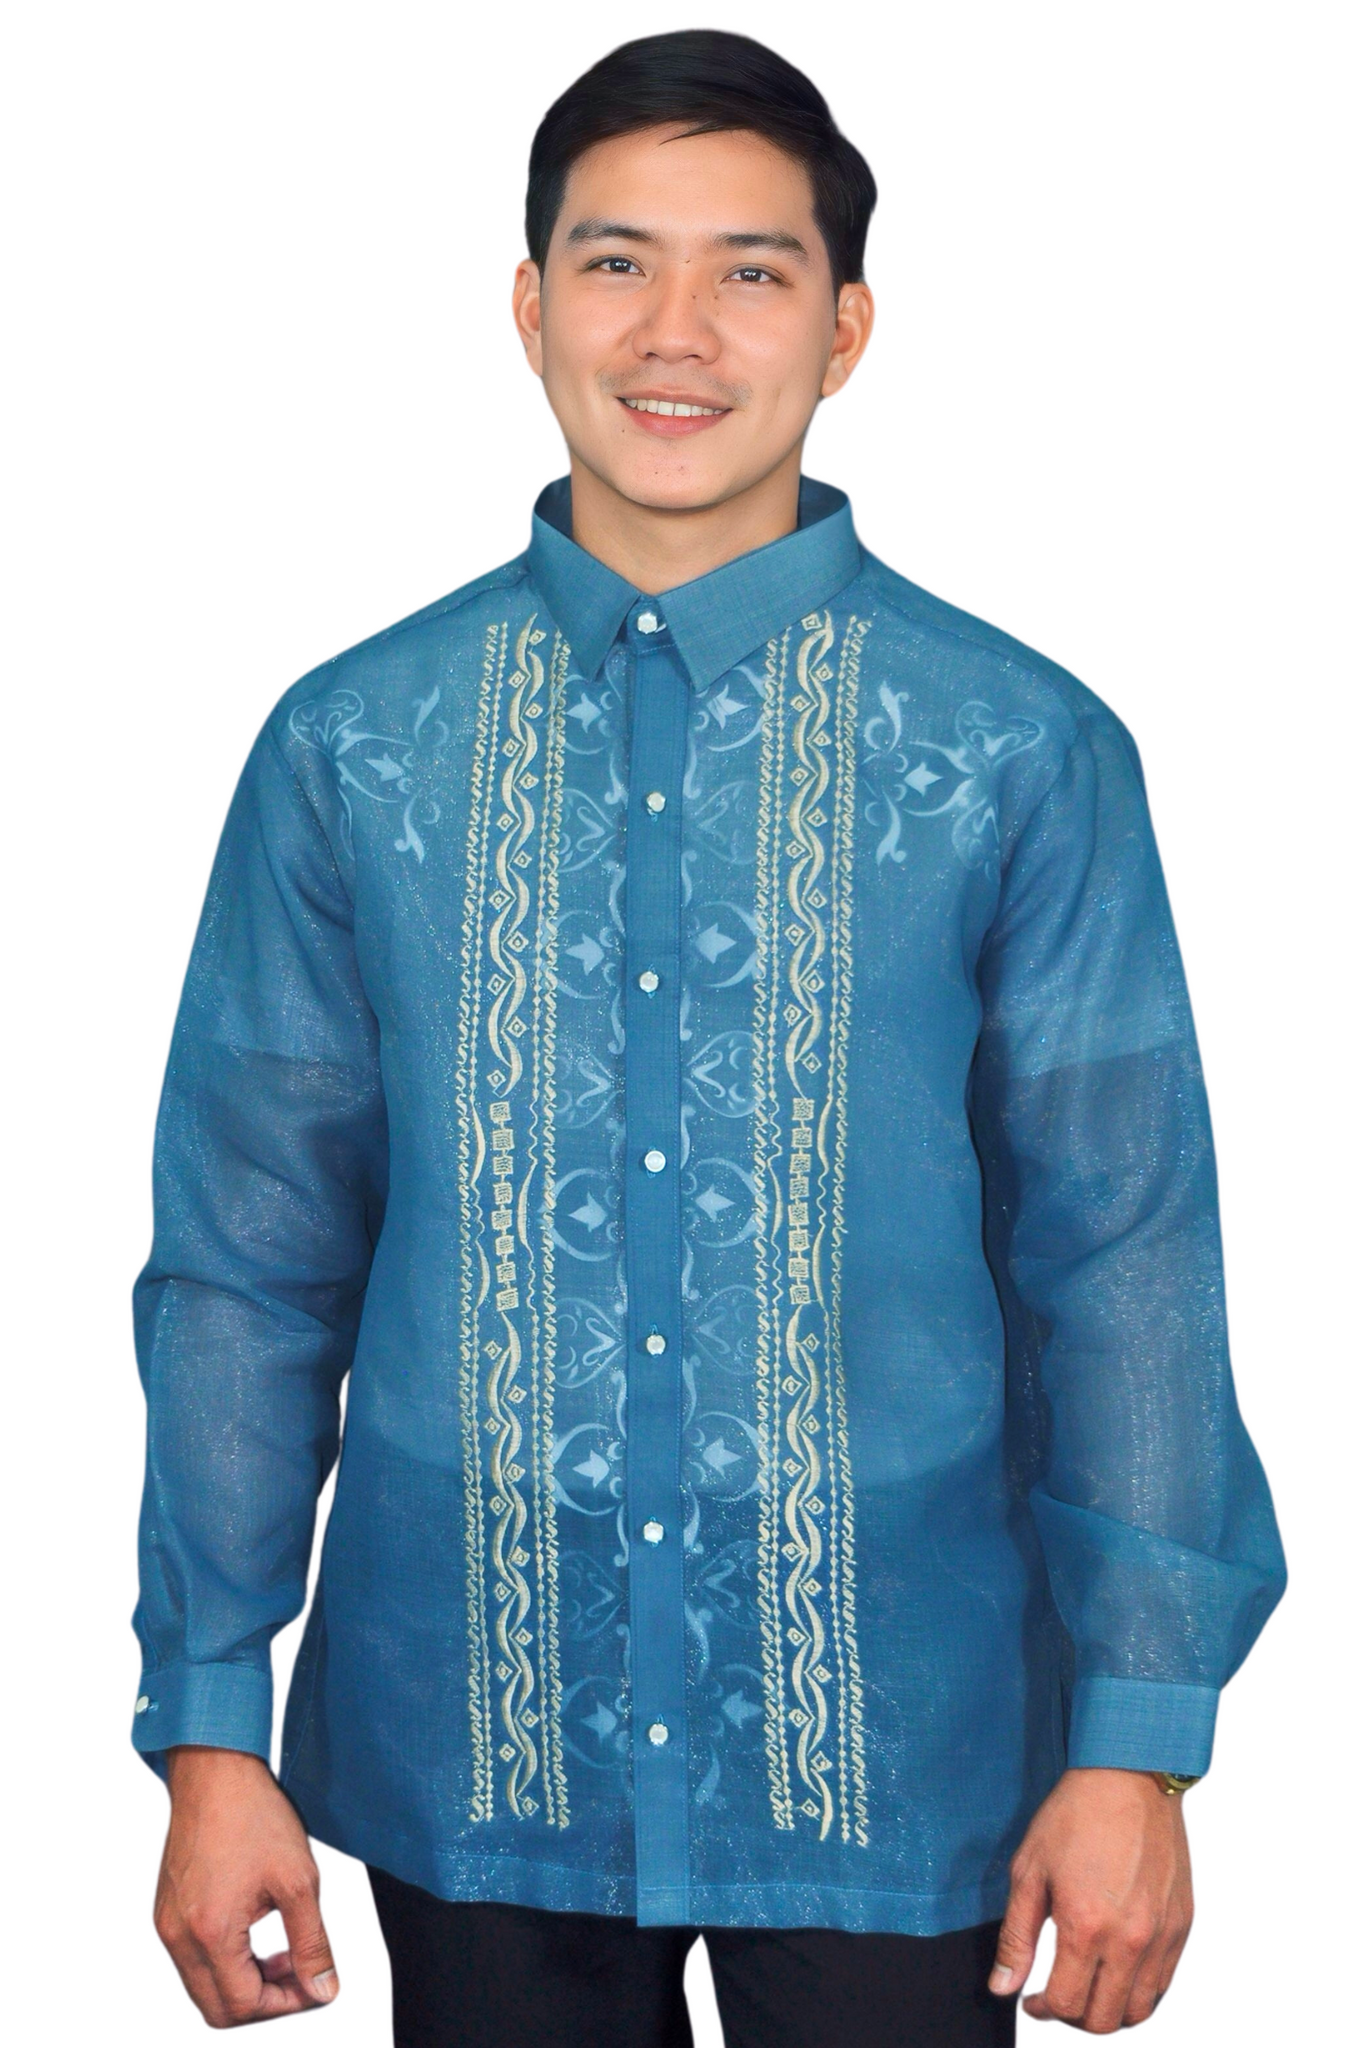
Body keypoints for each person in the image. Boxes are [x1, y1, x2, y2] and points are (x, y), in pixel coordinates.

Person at [130, 29, 1286, 2045]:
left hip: (904, 1744)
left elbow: (1122, 1264)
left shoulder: (1017, 750)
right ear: (528, 305)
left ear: (845, 327)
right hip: (471, 1743)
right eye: (615, 262)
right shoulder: (355, 748)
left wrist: (1141, 1741)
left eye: (750, 270)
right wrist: (211, 1724)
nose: (676, 331)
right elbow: (247, 1262)